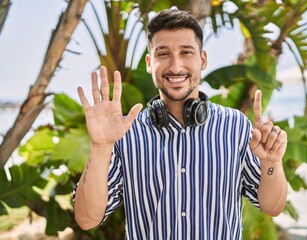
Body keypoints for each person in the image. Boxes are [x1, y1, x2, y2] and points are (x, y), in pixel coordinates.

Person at [73, 8, 288, 239]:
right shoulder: (125, 133)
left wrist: (270, 163)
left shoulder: (235, 127)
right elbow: (87, 219)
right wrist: (101, 146)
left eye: (186, 53)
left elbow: (272, 207)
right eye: (163, 54)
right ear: (149, 62)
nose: (176, 66)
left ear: (202, 59)